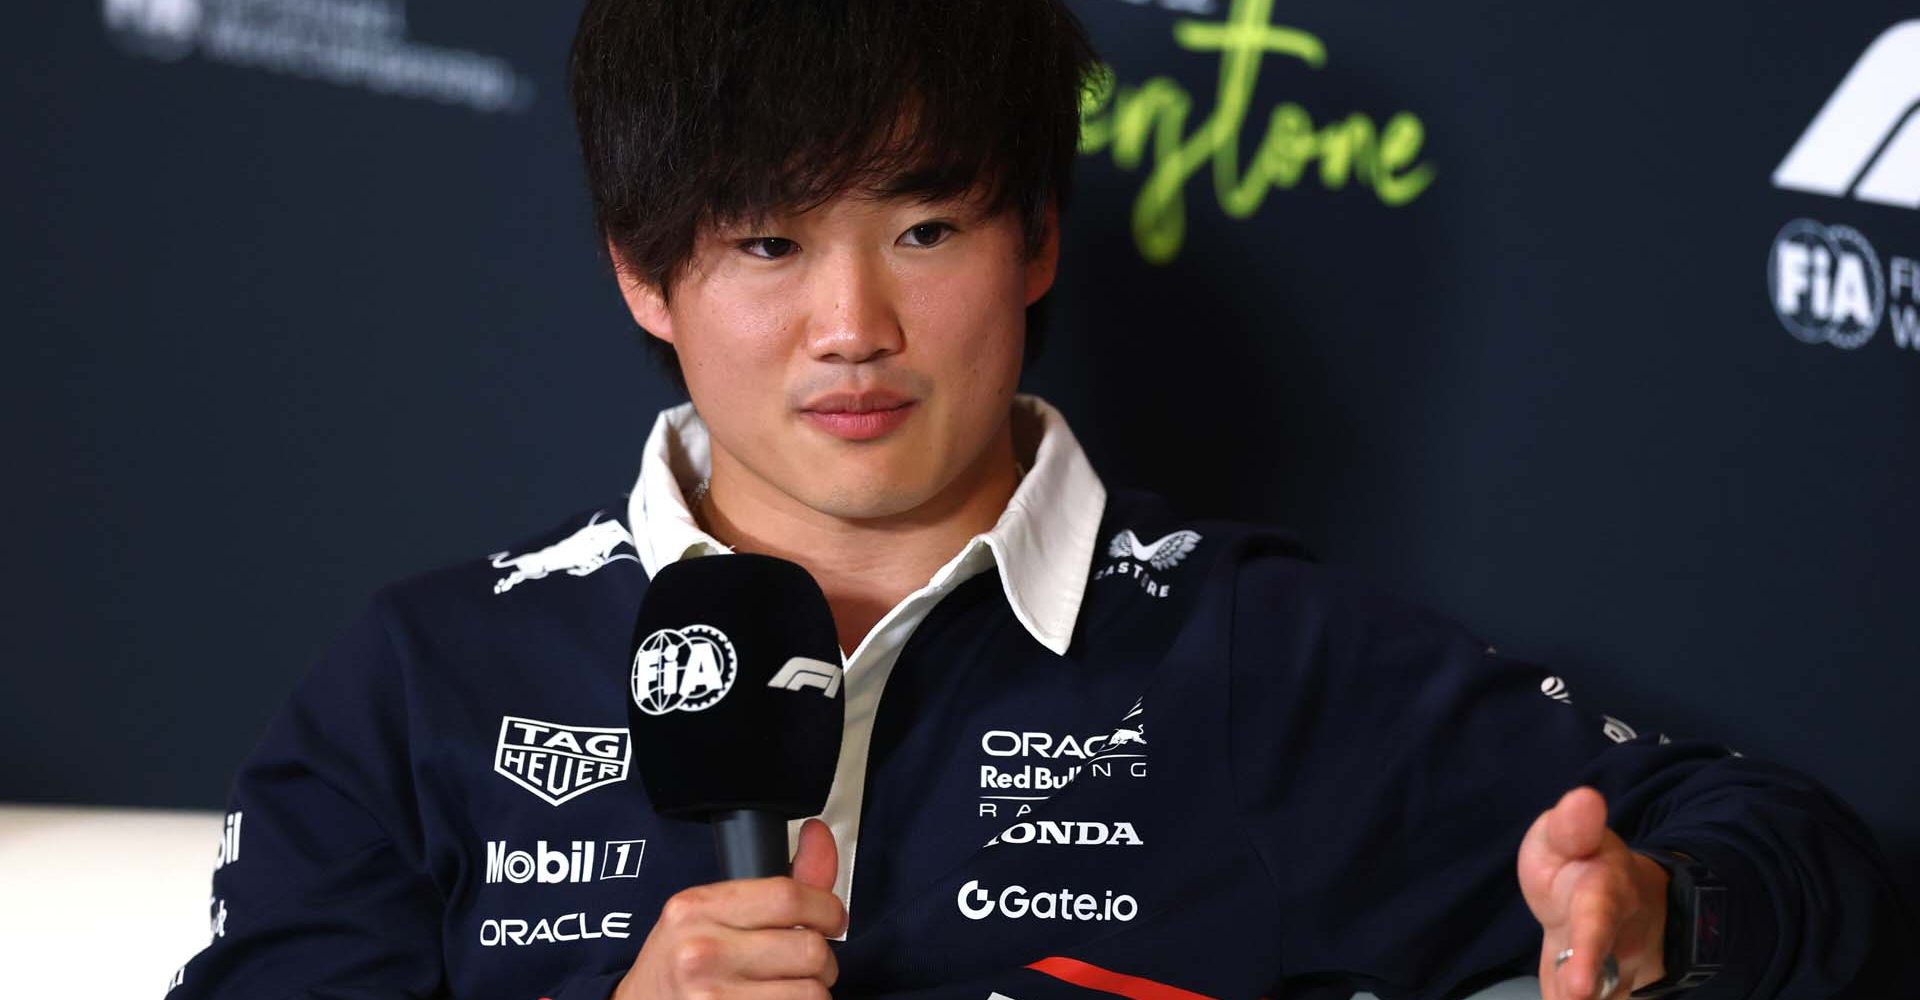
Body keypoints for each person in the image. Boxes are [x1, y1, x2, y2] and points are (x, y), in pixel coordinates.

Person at [171, 1, 1911, 998]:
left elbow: (1792, 854)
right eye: (770, 246)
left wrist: (1657, 920)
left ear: (1039, 241)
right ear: (643, 273)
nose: (855, 328)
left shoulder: (1264, 658)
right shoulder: (423, 683)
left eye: (926, 230)